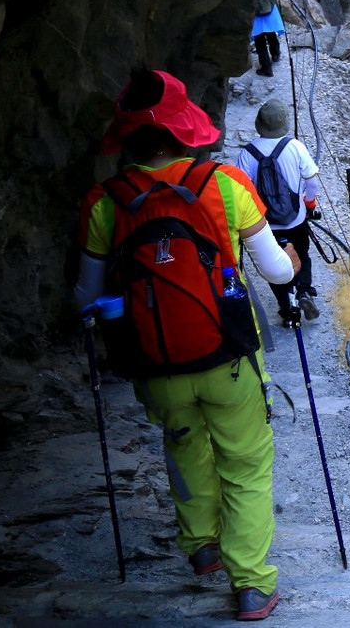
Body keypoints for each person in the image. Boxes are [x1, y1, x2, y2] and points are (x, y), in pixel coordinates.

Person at [72, 70, 300, 622]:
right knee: (245, 464)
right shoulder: (224, 184)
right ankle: (250, 584)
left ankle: (201, 545)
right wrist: (292, 262)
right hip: (228, 358)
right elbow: (275, 272)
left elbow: (86, 293)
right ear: (185, 131)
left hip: (155, 362)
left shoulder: (105, 202)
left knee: (183, 446)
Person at [235, 99, 322, 323]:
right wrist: (309, 203)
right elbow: (312, 183)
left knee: (275, 266)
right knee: (301, 256)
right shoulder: (295, 147)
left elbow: (241, 190)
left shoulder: (247, 154)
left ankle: (288, 311)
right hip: (296, 218)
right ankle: (303, 291)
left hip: (265, 224)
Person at [251, 0, 285, 78]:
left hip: (254, 10)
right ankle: (276, 54)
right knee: (271, 33)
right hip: (268, 6)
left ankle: (266, 68)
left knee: (259, 40)